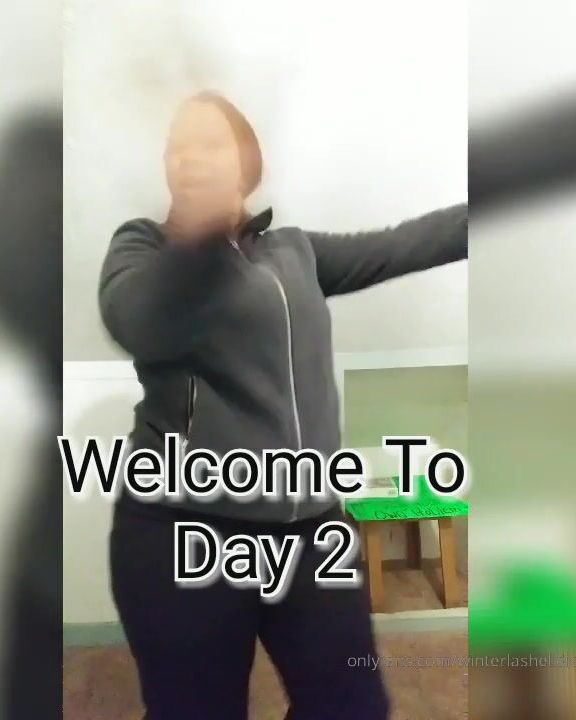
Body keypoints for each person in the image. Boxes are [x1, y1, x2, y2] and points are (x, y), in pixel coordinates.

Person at [99, 90, 467, 720]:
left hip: (312, 534)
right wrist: (200, 244)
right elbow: (137, 319)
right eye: (176, 147)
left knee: (352, 708)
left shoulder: (295, 251)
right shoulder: (144, 247)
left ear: (248, 162)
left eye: (208, 143)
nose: (188, 158)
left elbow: (404, 243)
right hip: (186, 533)